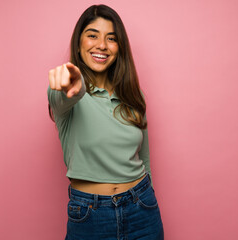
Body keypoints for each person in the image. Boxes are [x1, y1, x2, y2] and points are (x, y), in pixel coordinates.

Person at [47, 4, 164, 240]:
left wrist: (147, 193)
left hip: (142, 208)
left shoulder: (134, 95)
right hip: (90, 215)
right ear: (79, 44)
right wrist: (72, 83)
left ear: (119, 48)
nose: (101, 45)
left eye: (111, 38)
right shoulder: (68, 92)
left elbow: (144, 158)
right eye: (92, 35)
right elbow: (61, 96)